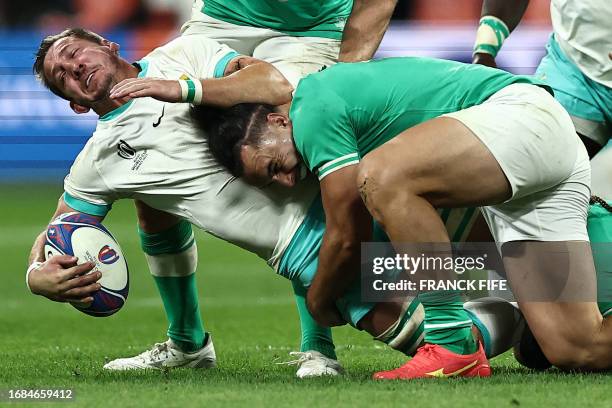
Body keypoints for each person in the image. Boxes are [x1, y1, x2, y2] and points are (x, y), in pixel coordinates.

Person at [26, 28, 524, 376]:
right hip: (304, 251)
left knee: (514, 265)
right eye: (62, 74)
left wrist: (178, 89)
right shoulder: (99, 159)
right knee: (463, 336)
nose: (73, 66)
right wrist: (37, 276)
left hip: (347, 193)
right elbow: (58, 230)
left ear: (106, 45)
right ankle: (537, 328)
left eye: (73, 52)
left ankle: (572, 303)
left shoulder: (185, 54)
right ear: (73, 102)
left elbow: (273, 85)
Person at [199, 56, 612, 378]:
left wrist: (320, 300)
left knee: (382, 178)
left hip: (521, 118)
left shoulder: (312, 106)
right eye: (273, 182)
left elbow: (348, 233)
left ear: (277, 120)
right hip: (531, 164)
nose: (288, 181)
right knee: (578, 348)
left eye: (275, 165)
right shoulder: (325, 108)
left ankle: (453, 344)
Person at [472, 0, 612, 367]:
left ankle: (530, 314)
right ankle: (530, 308)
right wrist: (486, 49)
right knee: (519, 184)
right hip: (577, 69)